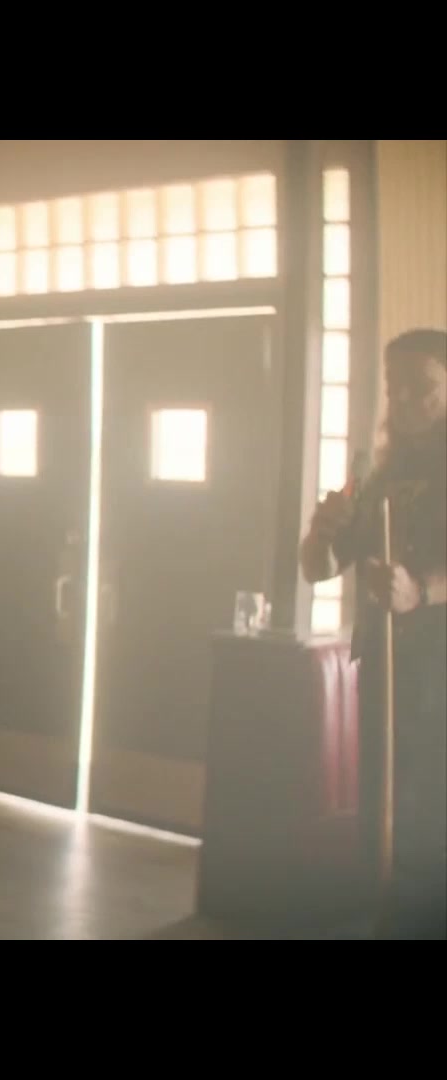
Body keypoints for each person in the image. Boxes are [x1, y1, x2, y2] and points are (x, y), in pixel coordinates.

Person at [300, 327, 447, 940]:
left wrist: (423, 591)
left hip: (440, 671)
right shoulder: (375, 477)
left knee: (429, 817)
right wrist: (321, 530)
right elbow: (317, 568)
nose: (404, 400)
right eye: (394, 388)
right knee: (384, 811)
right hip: (386, 667)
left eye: (422, 387)